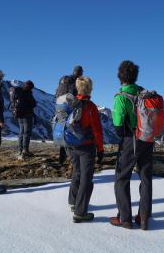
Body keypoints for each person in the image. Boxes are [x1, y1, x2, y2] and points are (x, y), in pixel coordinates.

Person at [109, 61, 154, 230]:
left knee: (121, 178)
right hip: (147, 139)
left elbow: (118, 126)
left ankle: (125, 219)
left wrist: (122, 136)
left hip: (130, 140)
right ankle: (144, 217)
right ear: (135, 76)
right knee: (145, 177)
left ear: (120, 76)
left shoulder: (121, 97)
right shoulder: (144, 94)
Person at [68, 76, 104, 223]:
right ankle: (80, 212)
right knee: (86, 179)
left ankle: (73, 201)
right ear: (89, 89)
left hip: (71, 145)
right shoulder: (90, 107)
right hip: (86, 146)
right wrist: (100, 150)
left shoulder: (70, 103)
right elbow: (97, 130)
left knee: (76, 172)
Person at [55, 65, 84, 165]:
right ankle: (72, 156)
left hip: (59, 105)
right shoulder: (75, 81)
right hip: (68, 107)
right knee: (70, 129)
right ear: (79, 72)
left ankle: (61, 157)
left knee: (62, 128)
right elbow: (74, 96)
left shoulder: (64, 80)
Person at [17, 80, 37, 159]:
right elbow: (33, 104)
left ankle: (20, 150)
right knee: (27, 133)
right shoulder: (28, 93)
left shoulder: (20, 93)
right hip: (27, 115)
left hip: (20, 116)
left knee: (21, 132)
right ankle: (25, 150)